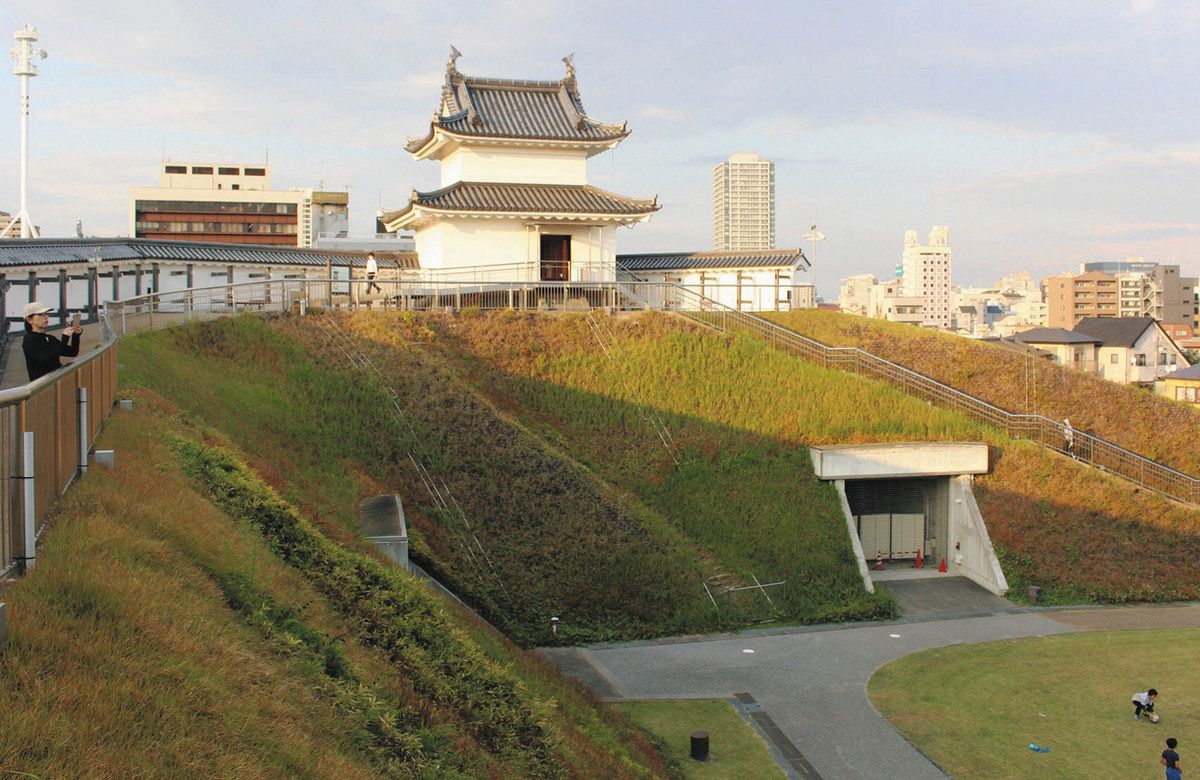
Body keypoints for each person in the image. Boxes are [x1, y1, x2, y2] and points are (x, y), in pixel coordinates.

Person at [21, 302, 81, 382]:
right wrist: (65, 338)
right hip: (41, 387)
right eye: (40, 315)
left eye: (46, 314)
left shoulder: (49, 338)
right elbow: (46, 361)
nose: (45, 317)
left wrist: (76, 334)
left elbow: (73, 352)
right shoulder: (29, 340)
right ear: (29, 320)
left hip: (55, 383)